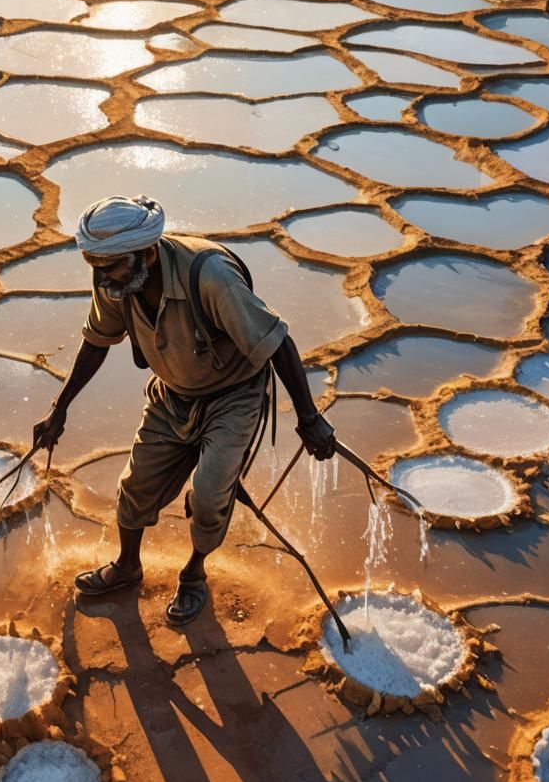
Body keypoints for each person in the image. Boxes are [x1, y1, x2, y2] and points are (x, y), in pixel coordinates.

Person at [32, 194, 336, 625]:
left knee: (211, 494)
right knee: (135, 486)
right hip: (172, 391)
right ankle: (127, 566)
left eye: (111, 266)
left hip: (233, 394)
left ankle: (193, 575)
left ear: (148, 252)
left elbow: (278, 342)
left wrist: (309, 419)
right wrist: (58, 410)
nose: (102, 277)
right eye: (94, 266)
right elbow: (97, 340)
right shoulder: (114, 278)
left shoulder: (210, 275)